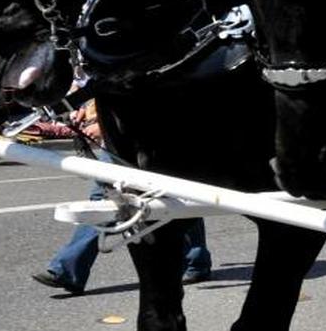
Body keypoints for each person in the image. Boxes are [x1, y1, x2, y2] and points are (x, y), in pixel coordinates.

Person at [32, 100, 212, 295]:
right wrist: (85, 109)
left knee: (176, 198)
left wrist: (103, 125)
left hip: (144, 137)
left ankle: (67, 270)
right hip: (118, 137)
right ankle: (196, 261)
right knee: (173, 199)